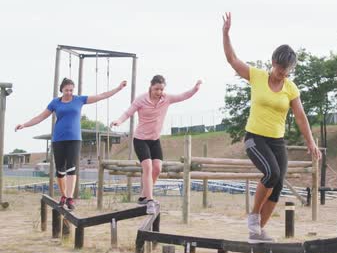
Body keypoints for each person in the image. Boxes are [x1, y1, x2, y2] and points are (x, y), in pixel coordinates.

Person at [222, 12, 322, 242]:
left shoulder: (291, 88)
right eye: (279, 67)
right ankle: (253, 216)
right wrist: (226, 34)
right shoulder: (256, 76)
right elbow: (232, 59)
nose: (282, 73)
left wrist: (311, 142)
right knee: (271, 173)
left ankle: (257, 233)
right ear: (273, 62)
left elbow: (300, 116)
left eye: (286, 70)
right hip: (254, 138)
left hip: (277, 141)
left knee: (277, 186)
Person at [16, 78, 127, 210]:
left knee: (71, 168)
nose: (69, 92)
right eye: (66, 90)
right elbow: (40, 117)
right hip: (58, 139)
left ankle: (70, 198)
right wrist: (24, 125)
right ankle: (63, 195)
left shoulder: (79, 100)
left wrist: (118, 88)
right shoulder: (55, 103)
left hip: (74, 139)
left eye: (71, 90)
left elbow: (101, 96)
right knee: (60, 171)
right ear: (61, 89)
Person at [111, 75, 202, 214]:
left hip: (154, 140)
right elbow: (128, 112)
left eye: (161, 89)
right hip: (140, 139)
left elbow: (183, 96)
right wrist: (119, 121)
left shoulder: (166, 98)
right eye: (156, 89)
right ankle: (150, 200)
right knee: (147, 166)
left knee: (157, 169)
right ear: (151, 86)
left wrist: (195, 89)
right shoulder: (141, 99)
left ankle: (143, 196)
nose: (159, 92)